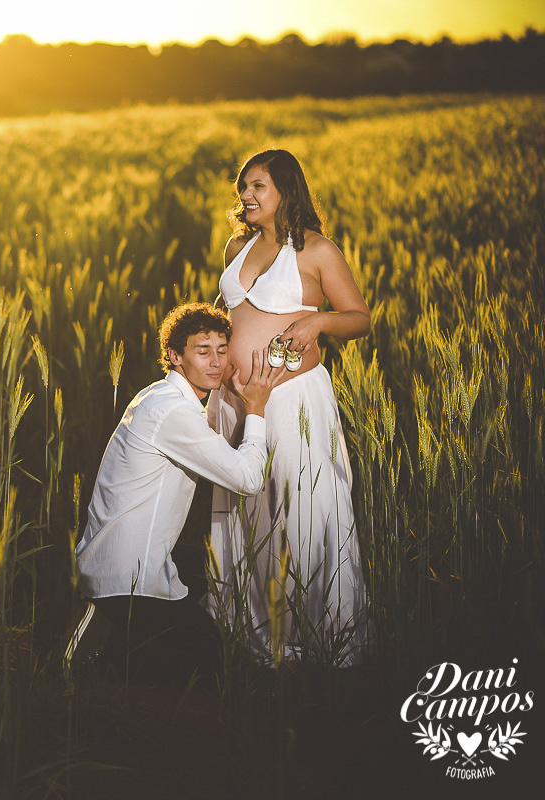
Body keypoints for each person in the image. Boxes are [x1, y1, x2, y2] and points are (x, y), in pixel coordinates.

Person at [206, 149, 370, 666]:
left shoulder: (317, 250)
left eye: (257, 186)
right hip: (236, 400)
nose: (246, 196)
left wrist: (319, 322)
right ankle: (257, 630)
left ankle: (322, 636)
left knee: (302, 506)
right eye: (243, 187)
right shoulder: (237, 245)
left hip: (291, 398)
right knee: (248, 507)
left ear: (285, 189)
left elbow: (359, 318)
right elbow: (231, 313)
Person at [67, 303, 284, 687]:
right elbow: (249, 479)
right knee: (221, 667)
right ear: (175, 356)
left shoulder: (160, 396)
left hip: (122, 558)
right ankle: (106, 647)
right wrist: (256, 408)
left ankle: (121, 630)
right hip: (129, 579)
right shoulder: (173, 412)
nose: (216, 362)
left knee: (221, 567)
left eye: (222, 350)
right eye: (203, 351)